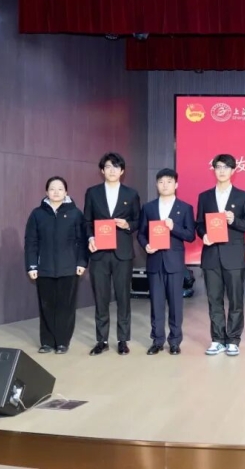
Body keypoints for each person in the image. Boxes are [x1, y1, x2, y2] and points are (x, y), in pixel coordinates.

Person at [196, 154, 245, 356]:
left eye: (226, 167)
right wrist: (203, 235)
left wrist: (234, 220)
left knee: (235, 300)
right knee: (214, 300)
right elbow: (199, 224)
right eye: (218, 167)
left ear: (233, 170)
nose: (222, 171)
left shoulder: (243, 196)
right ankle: (217, 339)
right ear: (214, 170)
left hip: (234, 256)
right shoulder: (205, 197)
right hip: (211, 255)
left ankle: (233, 339)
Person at [84, 152, 141, 356]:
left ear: (122, 171)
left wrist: (127, 224)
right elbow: (87, 221)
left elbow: (138, 221)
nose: (112, 170)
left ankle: (122, 340)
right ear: (102, 170)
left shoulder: (131, 194)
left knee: (123, 297)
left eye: (116, 167)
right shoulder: (92, 193)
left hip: (122, 253)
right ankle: (102, 340)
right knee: (101, 297)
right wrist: (90, 238)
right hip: (99, 253)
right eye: (108, 167)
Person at [24, 176, 87, 354]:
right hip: (44, 269)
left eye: (60, 189)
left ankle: (62, 342)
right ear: (46, 192)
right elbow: (31, 242)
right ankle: (47, 342)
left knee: (65, 307)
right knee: (46, 306)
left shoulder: (75, 213)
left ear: (66, 192)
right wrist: (31, 266)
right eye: (52, 189)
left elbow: (82, 241)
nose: (56, 192)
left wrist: (82, 262)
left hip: (69, 268)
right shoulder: (37, 214)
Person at [138, 168, 196, 355]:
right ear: (156, 185)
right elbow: (141, 233)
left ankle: (175, 341)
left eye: (169, 182)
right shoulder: (148, 208)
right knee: (156, 304)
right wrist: (146, 245)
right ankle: (157, 340)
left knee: (176, 304)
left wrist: (174, 227)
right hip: (154, 261)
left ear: (176, 185)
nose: (165, 185)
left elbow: (190, 235)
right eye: (161, 182)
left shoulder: (185, 208)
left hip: (174, 263)